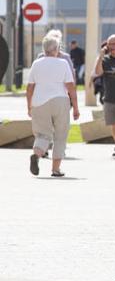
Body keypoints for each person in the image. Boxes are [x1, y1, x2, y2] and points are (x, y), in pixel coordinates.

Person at [27, 35, 80, 177]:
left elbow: (30, 87)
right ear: (56, 49)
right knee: (60, 134)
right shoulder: (63, 63)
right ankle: (55, 169)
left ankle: (37, 155)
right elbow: (71, 87)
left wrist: (29, 106)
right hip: (60, 100)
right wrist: (75, 107)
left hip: (39, 102)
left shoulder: (36, 64)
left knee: (42, 134)